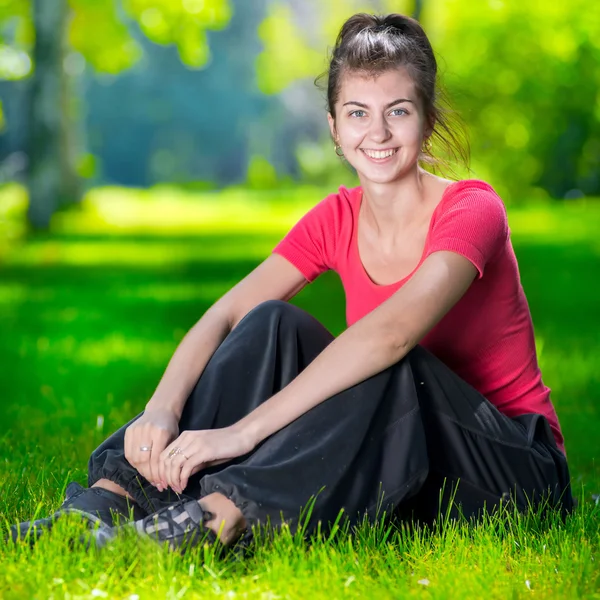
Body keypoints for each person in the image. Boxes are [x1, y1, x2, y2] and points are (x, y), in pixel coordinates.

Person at [10, 13, 573, 550]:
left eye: (398, 111)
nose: (376, 131)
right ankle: (108, 501)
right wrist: (163, 407)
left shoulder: (473, 208)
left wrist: (244, 433)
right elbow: (227, 316)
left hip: (512, 471)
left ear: (426, 119)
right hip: (402, 453)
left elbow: (392, 335)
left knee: (390, 365)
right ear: (333, 126)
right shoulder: (337, 217)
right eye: (357, 112)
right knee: (270, 323)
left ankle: (216, 520)